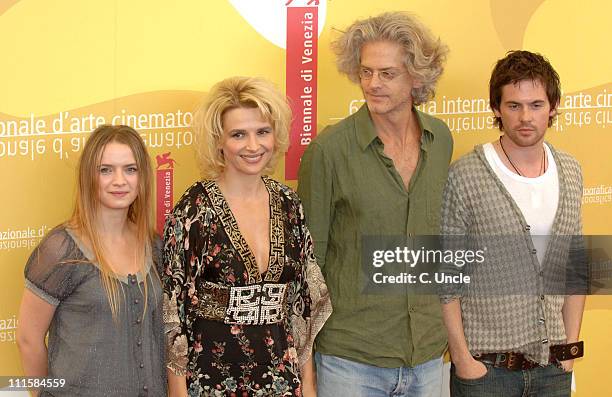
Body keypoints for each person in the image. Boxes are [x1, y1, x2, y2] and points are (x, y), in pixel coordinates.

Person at [298, 11, 452, 397]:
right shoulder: (328, 151)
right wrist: (305, 368)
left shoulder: (441, 139)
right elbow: (306, 264)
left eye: (387, 73)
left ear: (417, 76)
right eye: (366, 72)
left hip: (428, 356)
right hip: (351, 360)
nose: (372, 84)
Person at [163, 76, 331, 397]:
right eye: (239, 134)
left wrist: (308, 386)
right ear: (219, 141)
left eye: (262, 132)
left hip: (281, 378)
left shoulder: (288, 203)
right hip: (211, 379)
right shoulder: (194, 209)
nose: (253, 146)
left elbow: (301, 304)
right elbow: (174, 312)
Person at [440, 50, 586, 396]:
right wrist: (463, 359)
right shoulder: (466, 175)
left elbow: (574, 268)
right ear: (496, 109)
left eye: (536, 105)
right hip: (486, 371)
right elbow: (447, 278)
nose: (525, 117)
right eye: (513, 105)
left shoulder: (570, 170)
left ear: (553, 107)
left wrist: (570, 348)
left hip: (553, 369)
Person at [17, 125, 165, 396]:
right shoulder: (61, 249)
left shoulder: (153, 245)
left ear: (142, 176)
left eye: (130, 169)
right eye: (105, 170)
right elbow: (28, 339)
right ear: (88, 176)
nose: (119, 180)